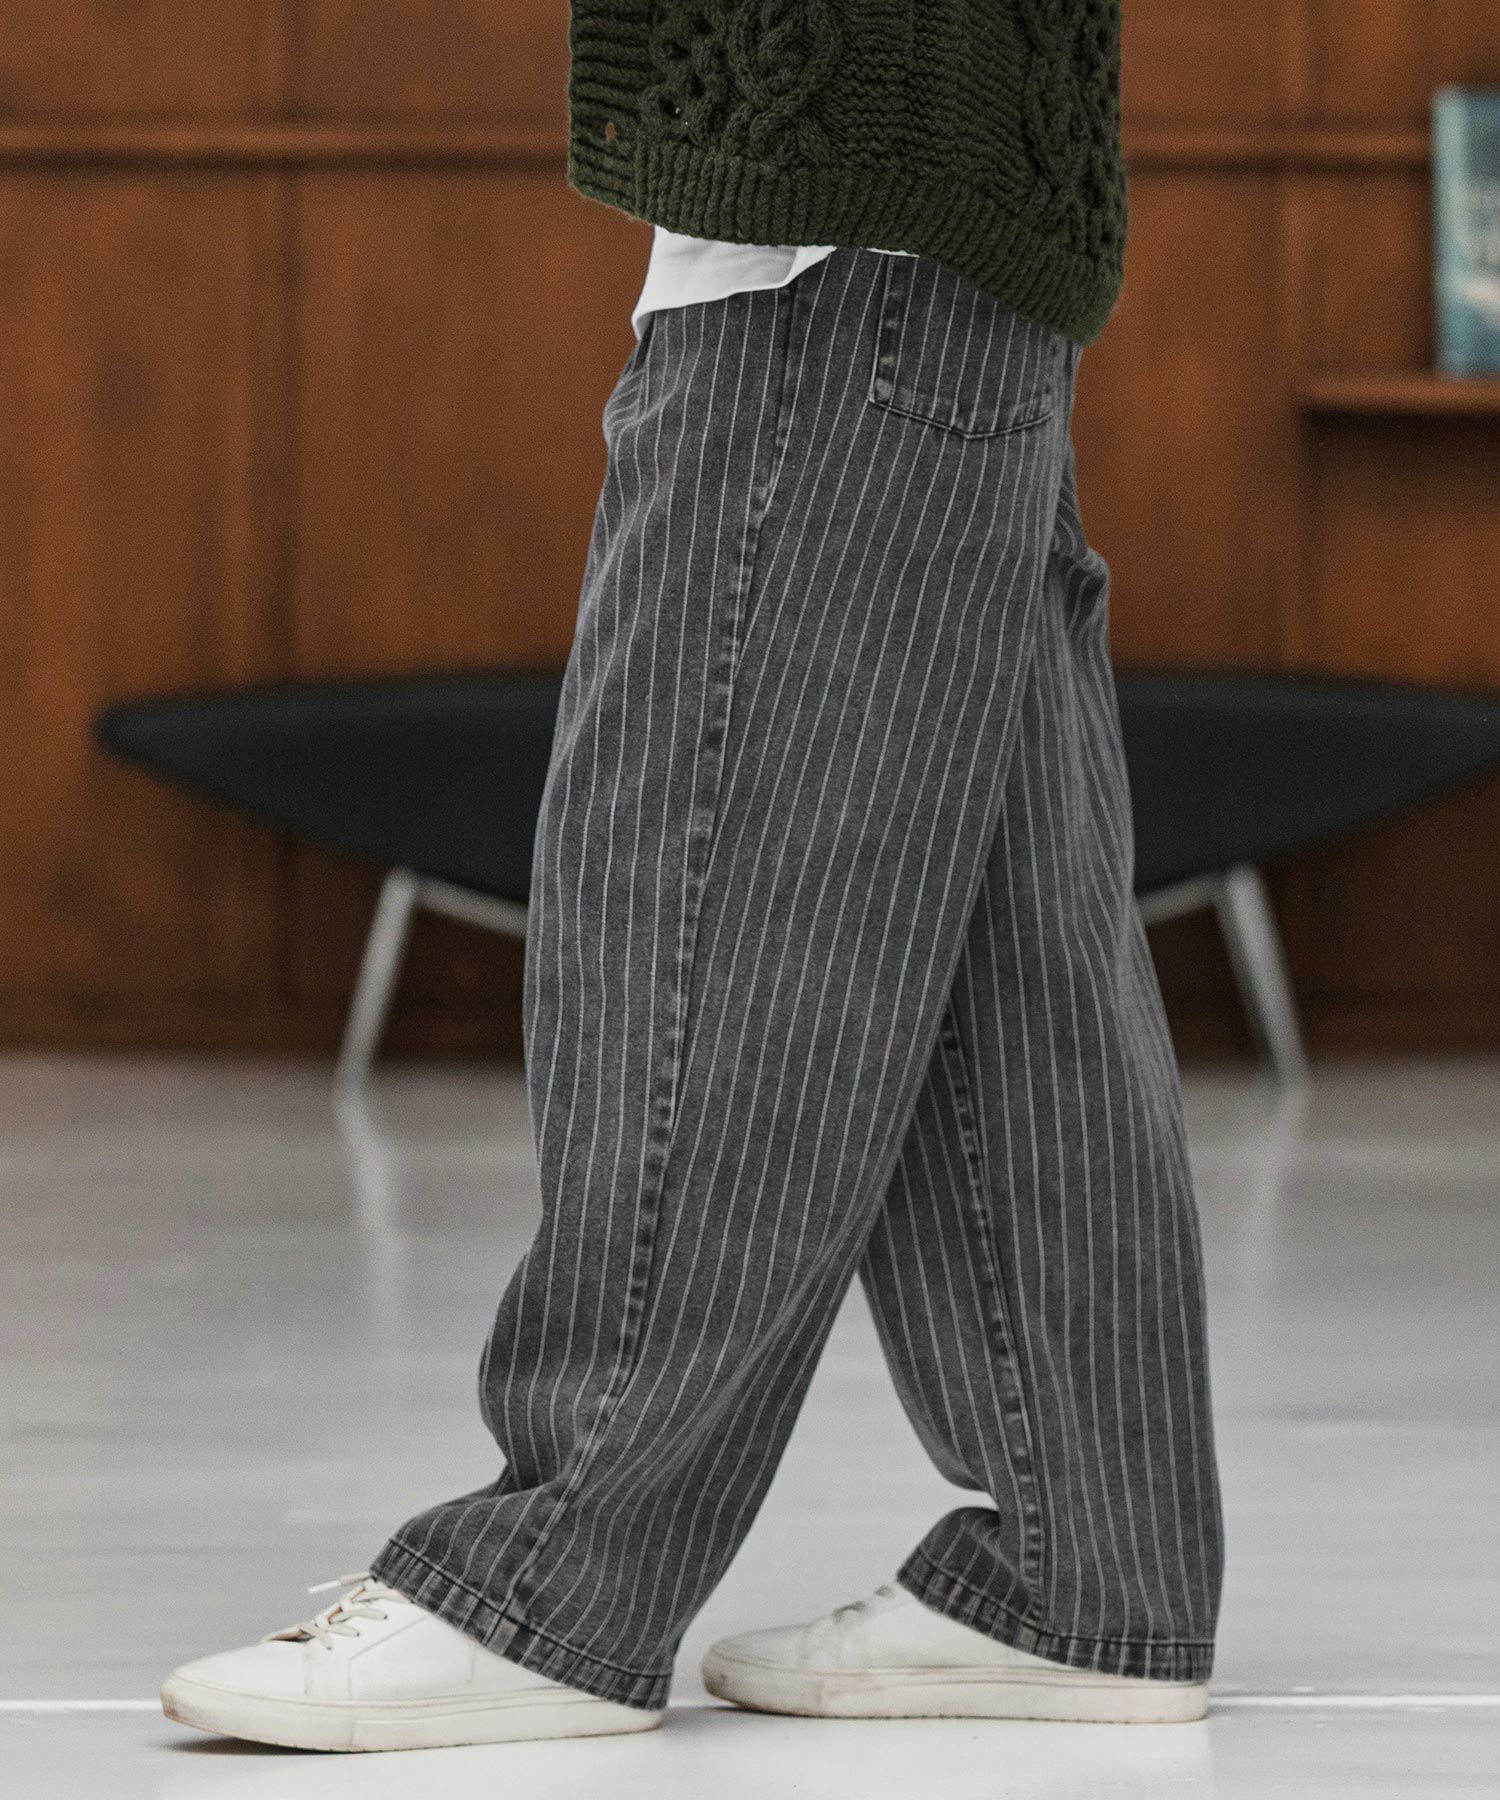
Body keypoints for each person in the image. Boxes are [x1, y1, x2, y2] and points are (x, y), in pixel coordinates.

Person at [161, 0, 1224, 1752]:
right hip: (950, 224)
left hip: (840, 219)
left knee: (703, 892)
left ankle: (562, 1576)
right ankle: (1085, 1567)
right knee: (1006, 939)